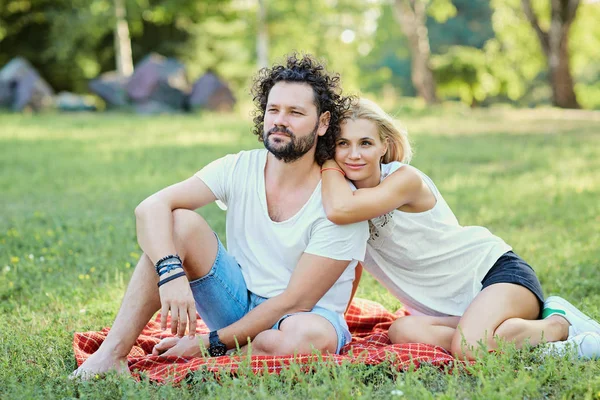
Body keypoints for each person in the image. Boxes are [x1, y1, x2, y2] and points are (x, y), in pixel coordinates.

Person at [72, 54, 369, 378]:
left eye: (295, 112)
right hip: (235, 301)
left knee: (308, 337)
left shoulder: (342, 203)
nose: (280, 121)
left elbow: (293, 301)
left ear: (323, 122)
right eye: (273, 110)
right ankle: (112, 354)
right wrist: (170, 272)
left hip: (304, 316)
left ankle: (228, 351)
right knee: (177, 223)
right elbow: (149, 208)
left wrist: (205, 343)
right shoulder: (239, 167)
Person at [320, 98, 600, 360]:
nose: (353, 154)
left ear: (384, 146)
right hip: (452, 311)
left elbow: (340, 210)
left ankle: (557, 324)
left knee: (469, 349)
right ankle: (513, 336)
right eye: (343, 143)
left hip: (494, 276)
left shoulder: (404, 180)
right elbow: (349, 260)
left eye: (365, 143)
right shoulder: (342, 194)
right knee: (401, 331)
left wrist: (328, 161)